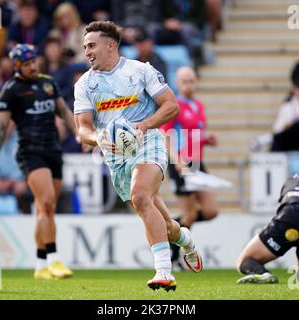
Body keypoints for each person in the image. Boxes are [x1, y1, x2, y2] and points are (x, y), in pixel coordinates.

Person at [74, 21, 203, 291]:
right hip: (116, 157)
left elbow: (171, 106)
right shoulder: (84, 84)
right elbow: (82, 128)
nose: (86, 51)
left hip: (148, 143)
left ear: (111, 46)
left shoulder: (140, 71)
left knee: (141, 196)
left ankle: (164, 272)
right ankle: (185, 239)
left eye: (91, 45)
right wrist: (97, 136)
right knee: (165, 224)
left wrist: (144, 125)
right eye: (85, 46)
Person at [0, 43, 76, 280]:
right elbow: (0, 127)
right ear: (17, 66)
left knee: (44, 209)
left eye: (35, 61)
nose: (34, 66)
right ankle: (54, 260)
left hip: (53, 150)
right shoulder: (10, 90)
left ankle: (40, 265)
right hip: (30, 153)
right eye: (28, 63)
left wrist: (81, 135)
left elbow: (64, 112)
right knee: (48, 203)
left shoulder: (48, 83)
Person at [161, 66, 218, 271]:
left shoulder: (198, 105)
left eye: (192, 80)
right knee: (190, 216)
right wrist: (177, 160)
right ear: (177, 83)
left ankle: (169, 227)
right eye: (185, 81)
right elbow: (166, 135)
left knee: (211, 210)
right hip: (182, 163)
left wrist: (206, 140)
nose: (189, 85)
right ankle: (175, 256)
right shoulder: (174, 105)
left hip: (197, 163)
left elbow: (193, 135)